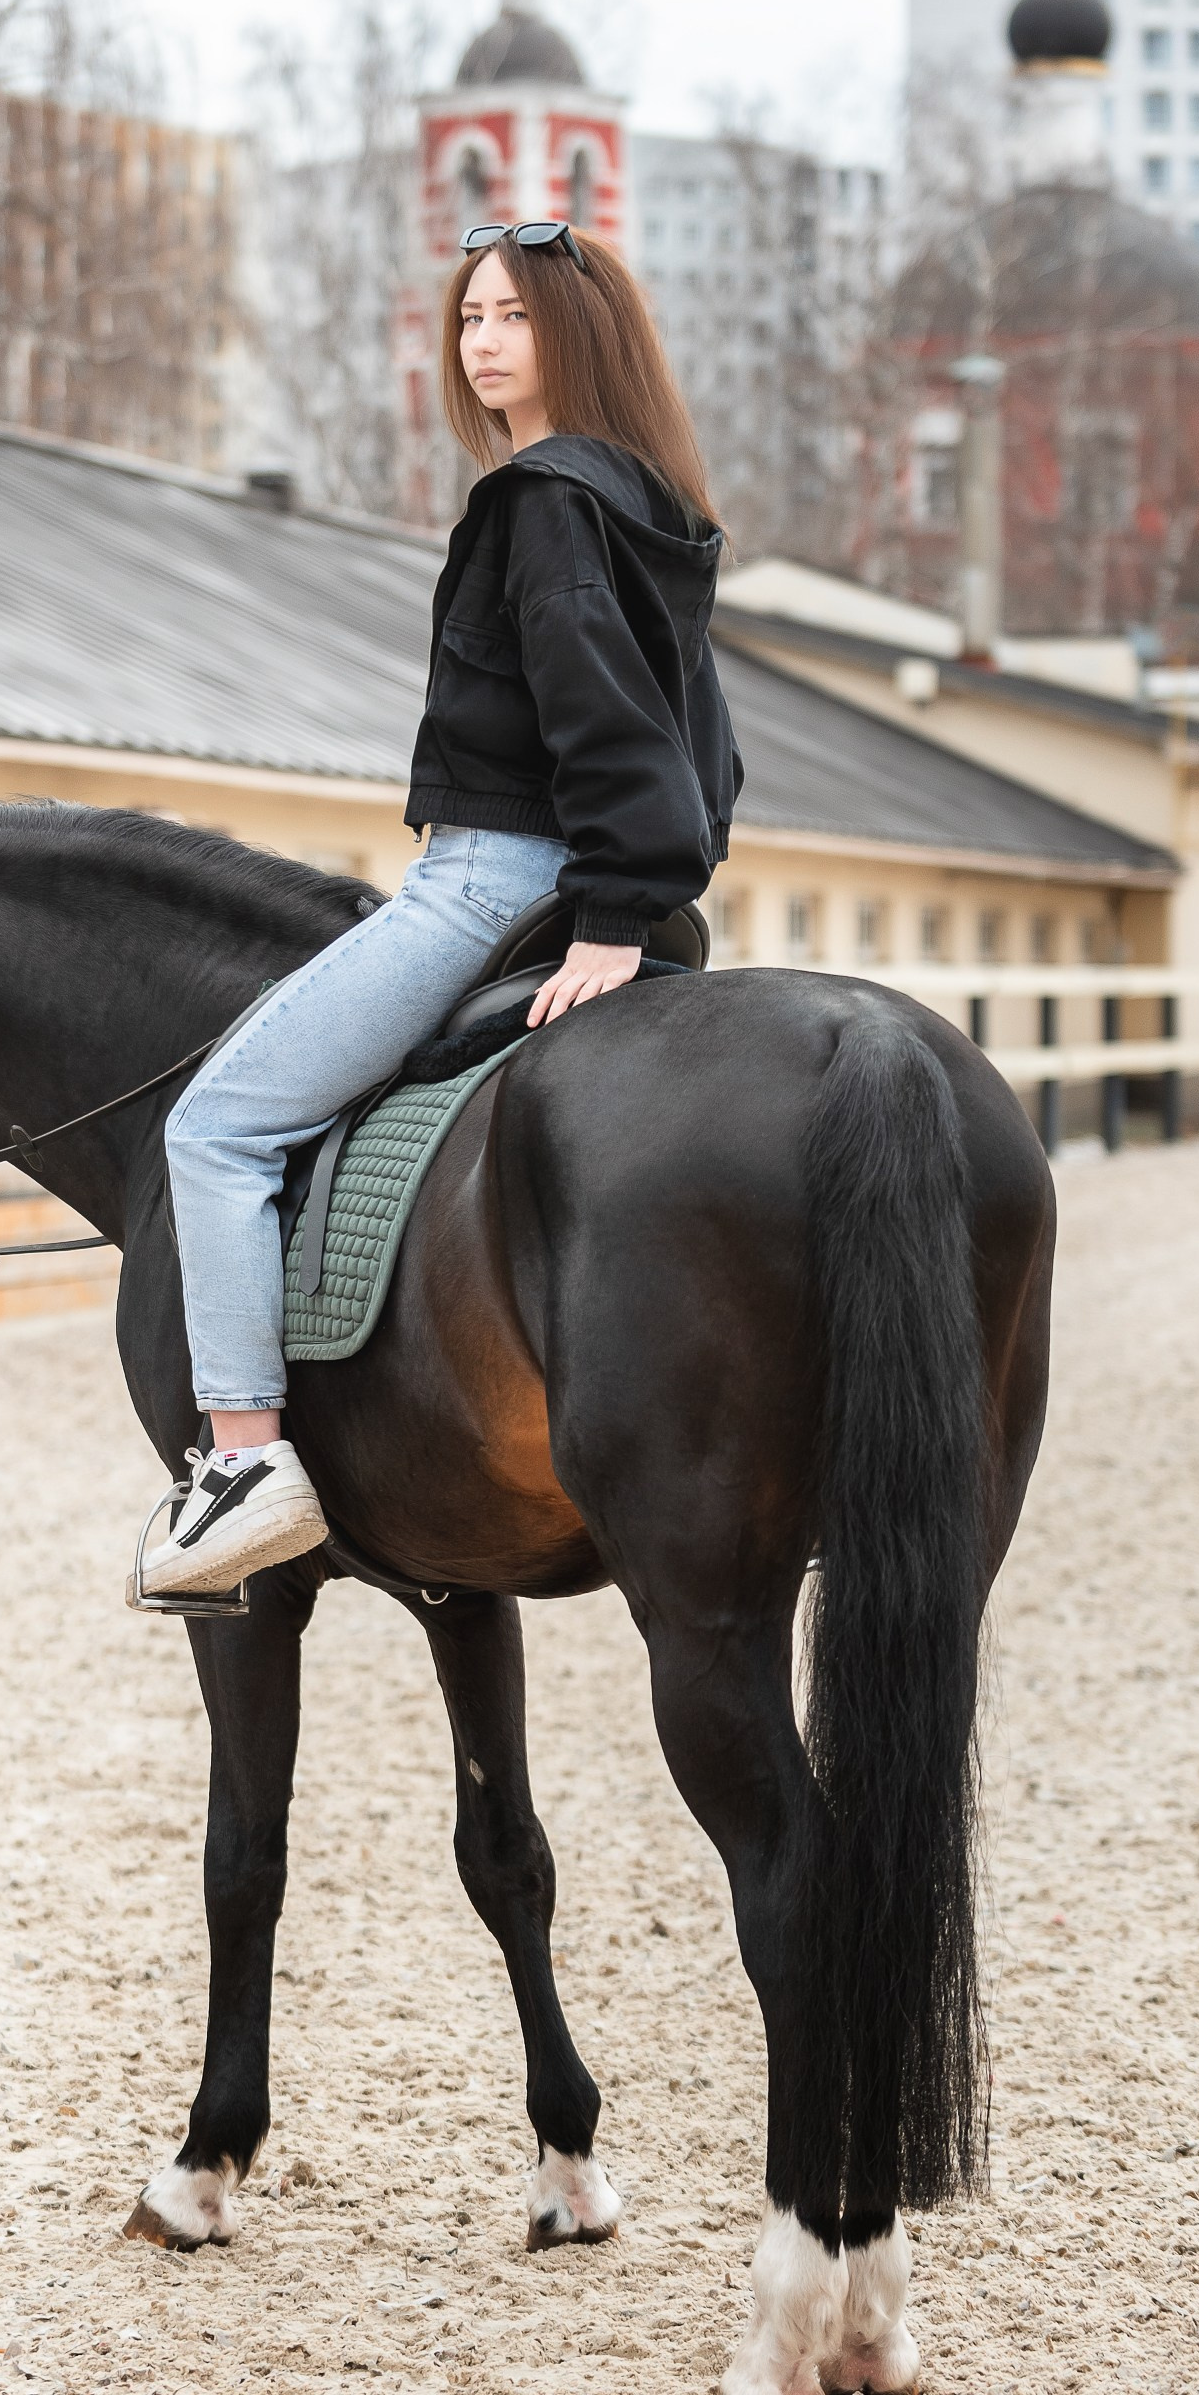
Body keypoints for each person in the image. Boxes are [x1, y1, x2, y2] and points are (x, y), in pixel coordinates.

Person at [137, 218, 741, 1603]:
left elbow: (606, 722)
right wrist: (644, 888)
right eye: (467, 320)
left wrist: (605, 915)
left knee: (219, 1127)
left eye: (512, 320)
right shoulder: (654, 506)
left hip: (490, 878)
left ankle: (238, 1465)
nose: (480, 345)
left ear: (575, 339)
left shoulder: (540, 498)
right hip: (587, 876)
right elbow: (701, 749)